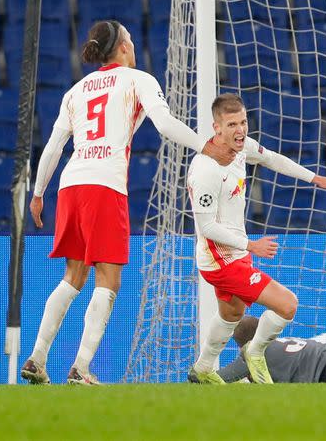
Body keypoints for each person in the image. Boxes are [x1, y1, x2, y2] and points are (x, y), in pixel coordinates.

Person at [20, 20, 234, 385]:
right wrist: (207, 146)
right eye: (131, 40)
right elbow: (165, 124)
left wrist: (38, 193)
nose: (134, 46)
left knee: (72, 277)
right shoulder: (139, 80)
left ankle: (37, 358)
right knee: (109, 279)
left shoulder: (75, 90)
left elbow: (54, 146)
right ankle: (81, 368)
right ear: (122, 47)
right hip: (105, 185)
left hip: (71, 184)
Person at [185, 93, 326, 384]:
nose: (240, 130)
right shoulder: (205, 168)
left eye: (243, 122)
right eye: (232, 124)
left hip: (235, 253)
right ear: (217, 128)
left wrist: (316, 178)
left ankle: (202, 369)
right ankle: (256, 350)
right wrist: (252, 245)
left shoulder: (241, 148)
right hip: (221, 259)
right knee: (287, 304)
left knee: (231, 313)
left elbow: (273, 159)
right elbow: (207, 226)